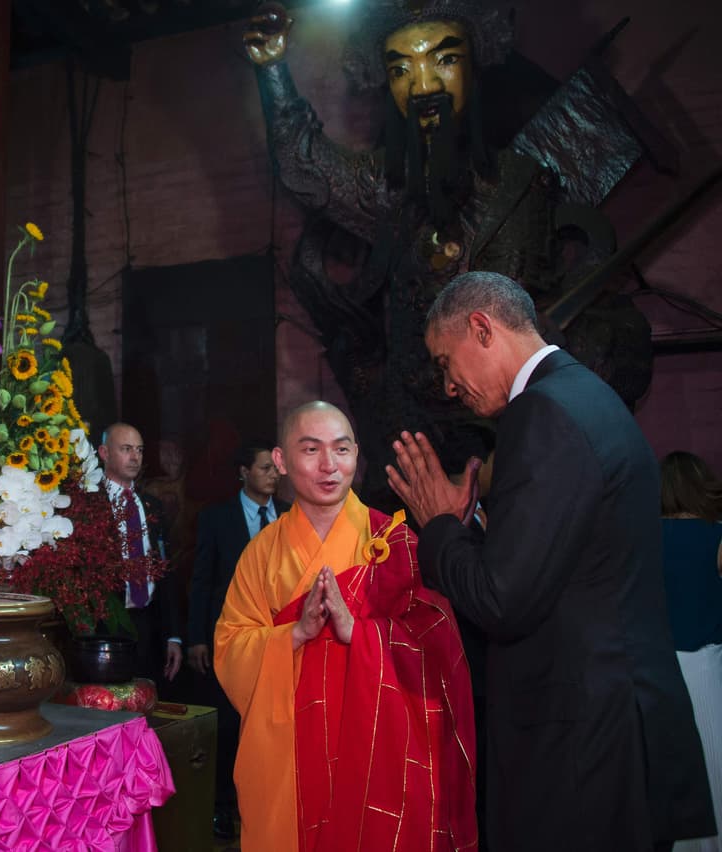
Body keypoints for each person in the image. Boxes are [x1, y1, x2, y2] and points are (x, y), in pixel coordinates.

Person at [244, 0, 654, 506]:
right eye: (401, 69)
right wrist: (272, 69)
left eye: (443, 59)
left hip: (514, 435)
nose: (424, 86)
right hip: (415, 435)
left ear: (473, 64)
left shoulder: (523, 183)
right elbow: (306, 169)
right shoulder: (388, 189)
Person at [387, 271, 715, 851]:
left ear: (481, 328)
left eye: (445, 362)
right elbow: (564, 566)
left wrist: (438, 527)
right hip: (615, 730)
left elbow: (501, 599)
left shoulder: (541, 414)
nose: (447, 387)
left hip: (581, 748)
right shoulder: (588, 396)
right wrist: (474, 532)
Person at [215, 402, 476, 851]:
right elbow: (230, 647)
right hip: (290, 755)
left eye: (341, 449)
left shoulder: (394, 544)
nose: (329, 465)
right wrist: (292, 636)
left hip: (374, 753)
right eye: (311, 449)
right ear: (280, 461)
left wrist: (359, 632)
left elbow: (438, 650)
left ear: (358, 456)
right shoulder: (260, 555)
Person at [186, 441, 287, 841]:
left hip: (279, 639)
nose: (274, 475)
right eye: (265, 468)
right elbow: (201, 581)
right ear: (244, 472)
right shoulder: (217, 518)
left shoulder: (290, 516)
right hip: (232, 638)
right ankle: (224, 808)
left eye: (276, 469)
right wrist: (197, 638)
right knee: (229, 728)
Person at [659, 451, 722, 852]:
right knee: (714, 771)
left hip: (661, 671)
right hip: (706, 669)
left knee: (675, 776)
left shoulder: (642, 538)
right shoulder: (715, 535)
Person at [97, 422, 182, 687]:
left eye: (140, 450)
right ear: (104, 452)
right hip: (106, 626)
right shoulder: (90, 505)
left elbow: (165, 573)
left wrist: (173, 635)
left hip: (148, 625)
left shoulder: (151, 505)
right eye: (126, 449)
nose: (135, 457)